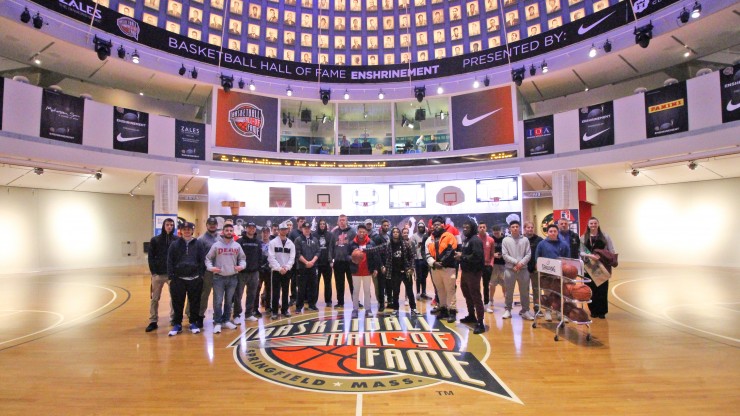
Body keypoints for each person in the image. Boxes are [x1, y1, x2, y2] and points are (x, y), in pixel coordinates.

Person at [166, 222, 206, 336]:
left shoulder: (198, 244)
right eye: (184, 229)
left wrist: (201, 276)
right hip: (178, 279)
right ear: (181, 231)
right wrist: (171, 277)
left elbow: (202, 260)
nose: (187, 231)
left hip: (195, 279)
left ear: (192, 231)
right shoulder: (174, 244)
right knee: (177, 303)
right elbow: (169, 261)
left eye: (189, 229)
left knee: (195, 302)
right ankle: (177, 324)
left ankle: (193, 323)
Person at [205, 223, 245, 333]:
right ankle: (217, 322)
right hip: (219, 278)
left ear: (233, 232)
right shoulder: (216, 245)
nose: (229, 232)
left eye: (230, 230)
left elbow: (242, 259)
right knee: (218, 301)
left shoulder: (237, 246)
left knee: (228, 301)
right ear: (223, 232)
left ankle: (226, 320)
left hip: (232, 277)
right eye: (226, 230)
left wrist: (241, 266)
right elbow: (208, 258)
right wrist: (211, 268)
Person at [581, 217, 617, 319]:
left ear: (598, 224)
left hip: (602, 266)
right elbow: (581, 252)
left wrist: (605, 257)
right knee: (591, 290)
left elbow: (611, 249)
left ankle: (602, 312)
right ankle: (593, 310)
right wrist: (590, 256)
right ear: (588, 225)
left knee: (602, 290)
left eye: (595, 223)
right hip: (589, 267)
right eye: (591, 223)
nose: (593, 225)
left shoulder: (605, 236)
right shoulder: (583, 237)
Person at [145, 218, 177, 332]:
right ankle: (153, 321)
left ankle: (174, 319)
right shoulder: (155, 240)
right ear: (163, 226)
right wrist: (153, 272)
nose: (169, 227)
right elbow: (150, 257)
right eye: (167, 224)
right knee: (155, 298)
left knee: (174, 298)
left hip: (171, 275)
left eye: (171, 225)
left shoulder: (176, 240)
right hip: (158, 275)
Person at [534, 224, 570, 321]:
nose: (553, 233)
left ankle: (559, 312)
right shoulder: (542, 244)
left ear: (557, 232)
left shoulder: (563, 244)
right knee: (547, 293)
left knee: (558, 293)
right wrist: (538, 266)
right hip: (546, 273)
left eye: (555, 231)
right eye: (551, 231)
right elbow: (537, 257)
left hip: (559, 273)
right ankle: (548, 311)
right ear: (547, 232)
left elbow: (567, 259)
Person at [425, 216, 458, 321]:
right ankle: (443, 310)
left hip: (448, 268)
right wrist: (434, 263)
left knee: (450, 290)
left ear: (443, 225)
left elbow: (451, 251)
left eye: (438, 224)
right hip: (435, 268)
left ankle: (452, 311)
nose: (436, 226)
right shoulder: (429, 239)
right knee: (440, 290)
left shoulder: (449, 236)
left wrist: (442, 263)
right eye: (434, 225)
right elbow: (426, 253)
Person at [455, 220, 486, 333]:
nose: (465, 229)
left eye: (467, 227)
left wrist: (462, 256)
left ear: (472, 228)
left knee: (476, 296)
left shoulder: (475, 240)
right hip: (465, 271)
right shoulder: (466, 240)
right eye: (463, 227)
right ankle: (471, 315)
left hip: (474, 272)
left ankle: (481, 322)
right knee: (467, 294)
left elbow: (477, 257)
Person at [348, 224, 382, 318]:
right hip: (356, 271)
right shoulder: (352, 243)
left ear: (366, 232)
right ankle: (355, 309)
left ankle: (368, 309)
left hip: (367, 270)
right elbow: (346, 255)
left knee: (367, 291)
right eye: (360, 231)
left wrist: (375, 268)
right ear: (357, 232)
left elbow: (375, 256)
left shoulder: (371, 242)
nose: (361, 233)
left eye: (363, 231)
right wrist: (352, 257)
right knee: (356, 291)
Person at [502, 220, 533, 320]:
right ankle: (508, 310)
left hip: (523, 270)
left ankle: (525, 311)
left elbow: (528, 254)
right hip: (510, 269)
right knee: (508, 291)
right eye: (513, 227)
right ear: (510, 228)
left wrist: (521, 264)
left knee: (524, 291)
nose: (515, 228)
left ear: (519, 228)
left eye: (517, 226)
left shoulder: (525, 240)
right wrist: (516, 262)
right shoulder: (506, 240)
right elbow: (504, 255)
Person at [384, 227, 417, 315]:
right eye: (394, 232)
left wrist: (411, 268)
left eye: (397, 232)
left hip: (406, 271)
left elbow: (412, 257)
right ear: (392, 234)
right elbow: (378, 250)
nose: (395, 233)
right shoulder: (388, 244)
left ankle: (413, 308)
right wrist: (364, 250)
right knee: (395, 292)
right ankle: (396, 309)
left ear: (399, 234)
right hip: (395, 272)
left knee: (410, 291)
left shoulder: (406, 244)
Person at [194, 217, 219, 328]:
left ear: (217, 225)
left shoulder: (221, 238)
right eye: (210, 224)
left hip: (219, 271)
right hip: (207, 272)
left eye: (214, 224)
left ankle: (217, 316)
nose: (212, 226)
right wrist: (201, 273)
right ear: (207, 225)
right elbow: (198, 258)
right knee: (204, 295)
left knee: (218, 295)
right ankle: (200, 316)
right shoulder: (201, 239)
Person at [268, 221, 296, 319]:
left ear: (287, 230)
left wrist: (287, 267)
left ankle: (285, 310)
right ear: (279, 230)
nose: (283, 231)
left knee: (285, 291)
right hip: (276, 271)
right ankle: (275, 311)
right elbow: (271, 257)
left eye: (285, 229)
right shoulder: (273, 243)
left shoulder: (291, 244)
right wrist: (279, 268)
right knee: (275, 292)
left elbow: (292, 258)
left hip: (286, 271)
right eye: (282, 229)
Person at [235, 222, 262, 323]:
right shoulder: (239, 241)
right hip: (241, 273)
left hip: (254, 273)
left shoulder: (258, 242)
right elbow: (236, 256)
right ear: (246, 229)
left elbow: (260, 257)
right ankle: (237, 315)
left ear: (255, 229)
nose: (251, 229)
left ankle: (249, 314)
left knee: (252, 294)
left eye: (253, 228)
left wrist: (258, 270)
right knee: (238, 294)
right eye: (249, 228)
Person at [294, 222, 320, 313]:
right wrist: (306, 262)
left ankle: (312, 305)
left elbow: (318, 252)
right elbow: (297, 253)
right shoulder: (298, 240)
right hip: (302, 267)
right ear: (302, 229)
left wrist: (312, 261)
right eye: (305, 228)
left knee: (313, 287)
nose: (307, 230)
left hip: (313, 267)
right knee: (301, 288)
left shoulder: (315, 240)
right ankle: (299, 306)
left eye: (308, 228)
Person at [332, 214, 356, 308]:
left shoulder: (352, 232)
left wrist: (354, 257)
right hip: (338, 261)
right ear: (338, 222)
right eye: (340, 220)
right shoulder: (334, 232)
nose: (342, 221)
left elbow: (355, 245)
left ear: (346, 221)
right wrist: (331, 259)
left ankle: (355, 301)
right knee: (339, 283)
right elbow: (331, 247)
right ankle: (340, 302)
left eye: (343, 220)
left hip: (350, 262)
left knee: (353, 283)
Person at [524, 221, 544, 316]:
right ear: (525, 229)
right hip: (524, 268)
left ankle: (537, 308)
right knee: (525, 289)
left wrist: (538, 264)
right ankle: (525, 308)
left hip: (535, 268)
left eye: (532, 227)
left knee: (536, 289)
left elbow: (542, 254)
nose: (530, 229)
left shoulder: (539, 240)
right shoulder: (521, 239)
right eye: (528, 227)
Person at [314, 219, 335, 307]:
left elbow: (332, 248)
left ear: (326, 225)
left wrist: (332, 260)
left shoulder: (330, 235)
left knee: (327, 282)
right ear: (318, 225)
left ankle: (328, 301)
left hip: (327, 262)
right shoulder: (314, 235)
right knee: (315, 283)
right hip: (317, 263)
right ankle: (313, 301)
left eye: (324, 224)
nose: (322, 225)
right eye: (321, 224)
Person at [372, 219, 391, 309]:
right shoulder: (377, 238)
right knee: (381, 286)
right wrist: (381, 265)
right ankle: (381, 304)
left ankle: (390, 302)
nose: (386, 227)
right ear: (381, 226)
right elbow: (376, 253)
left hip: (389, 265)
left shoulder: (389, 237)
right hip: (381, 265)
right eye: (384, 225)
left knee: (389, 285)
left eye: (387, 225)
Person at [476, 222, 495, 311]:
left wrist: (491, 264)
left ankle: (486, 304)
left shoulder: (490, 240)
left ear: (486, 228)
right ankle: (477, 304)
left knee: (486, 286)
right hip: (477, 266)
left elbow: (492, 254)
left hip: (487, 266)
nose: (482, 228)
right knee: (476, 286)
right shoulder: (475, 239)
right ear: (478, 228)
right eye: (480, 227)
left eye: (484, 227)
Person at [488, 224, 506, 312]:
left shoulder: (505, 239)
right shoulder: (490, 239)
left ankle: (506, 300)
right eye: (495, 233)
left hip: (504, 264)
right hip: (493, 264)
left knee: (505, 284)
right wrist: (493, 255)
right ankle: (491, 300)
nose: (496, 235)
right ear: (492, 232)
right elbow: (487, 251)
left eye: (497, 233)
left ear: (501, 231)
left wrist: (503, 255)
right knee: (492, 284)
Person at [410, 220, 430, 300]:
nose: (421, 228)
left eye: (422, 227)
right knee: (418, 277)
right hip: (417, 259)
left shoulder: (427, 236)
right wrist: (417, 245)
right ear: (417, 228)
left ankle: (424, 292)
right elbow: (411, 247)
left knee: (424, 277)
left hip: (425, 259)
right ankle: (418, 292)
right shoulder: (414, 236)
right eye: (419, 227)